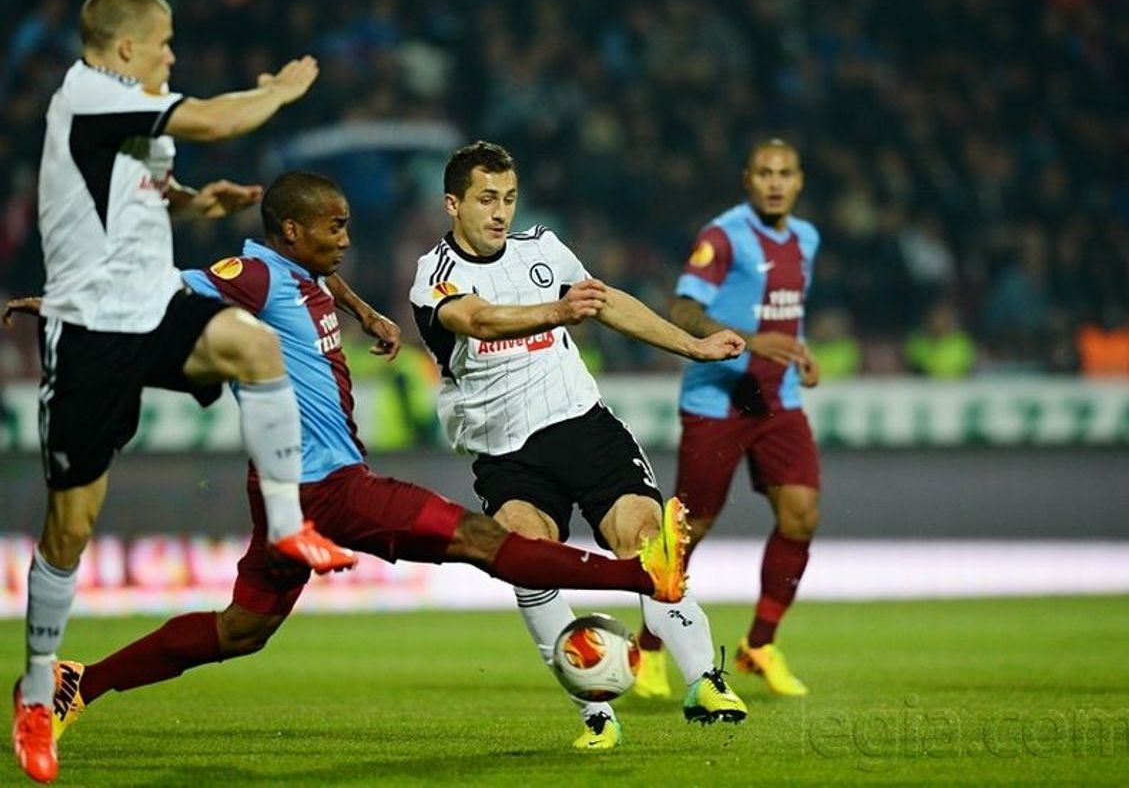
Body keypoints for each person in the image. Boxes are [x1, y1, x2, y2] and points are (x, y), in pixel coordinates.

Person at [17, 171, 688, 760]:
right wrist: (63, 305)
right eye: (332, 227)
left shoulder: (303, 273)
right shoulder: (250, 276)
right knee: (483, 540)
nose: (344, 239)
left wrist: (366, 313)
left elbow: (322, 281)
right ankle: (637, 573)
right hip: (329, 487)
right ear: (289, 229)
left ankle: (84, 679)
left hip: (291, 489)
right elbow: (156, 292)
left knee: (240, 629)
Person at [13, 0, 355, 783]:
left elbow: (141, 200)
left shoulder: (124, 113)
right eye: (163, 43)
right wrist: (277, 91)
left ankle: (284, 523)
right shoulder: (91, 94)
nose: (173, 55)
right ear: (125, 48)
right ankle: (36, 691)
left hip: (155, 306)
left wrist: (203, 203)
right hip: (94, 332)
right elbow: (216, 119)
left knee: (253, 346)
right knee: (70, 526)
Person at [408, 141, 749, 751]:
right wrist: (559, 310)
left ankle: (704, 680)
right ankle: (594, 709)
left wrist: (692, 348)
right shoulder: (434, 278)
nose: (500, 213)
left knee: (649, 541)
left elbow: (608, 303)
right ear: (452, 204)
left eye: (509, 198)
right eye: (487, 199)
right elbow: (480, 321)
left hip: (581, 425)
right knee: (527, 557)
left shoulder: (543, 248)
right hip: (504, 452)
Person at [633, 138, 821, 701]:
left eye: (784, 173)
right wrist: (749, 342)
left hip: (778, 402)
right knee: (692, 531)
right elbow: (683, 309)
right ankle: (647, 647)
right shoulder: (723, 236)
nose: (774, 182)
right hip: (718, 401)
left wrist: (798, 350)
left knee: (801, 516)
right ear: (747, 179)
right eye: (764, 172)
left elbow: (787, 315)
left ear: (799, 181)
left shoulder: (806, 239)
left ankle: (759, 644)